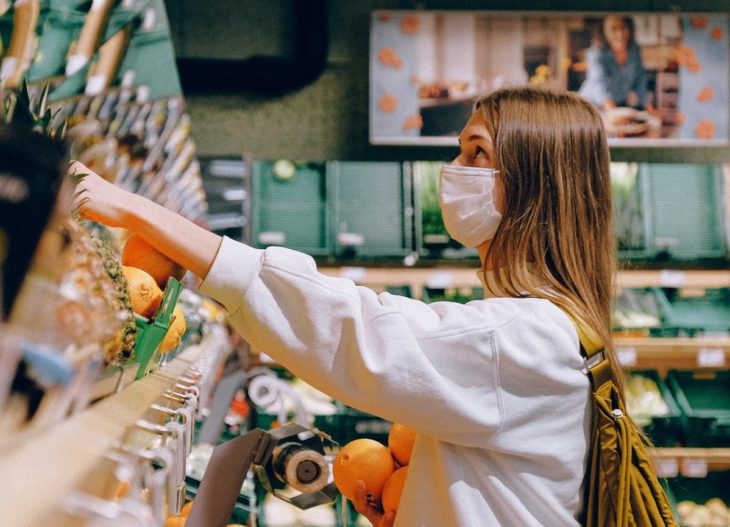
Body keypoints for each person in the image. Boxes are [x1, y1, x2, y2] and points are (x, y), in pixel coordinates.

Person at [71, 86, 622, 526]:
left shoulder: (523, 338)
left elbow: (354, 327)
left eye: (476, 152)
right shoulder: (548, 327)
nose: (454, 168)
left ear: (535, 182)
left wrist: (138, 212)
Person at [579, 16, 651, 111]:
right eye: (613, 28)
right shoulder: (597, 52)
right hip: (590, 106)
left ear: (630, 28)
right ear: (604, 31)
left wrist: (650, 108)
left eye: (623, 27)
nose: (620, 33)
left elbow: (640, 80)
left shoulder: (634, 50)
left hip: (617, 105)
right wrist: (612, 112)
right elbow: (598, 84)